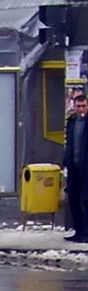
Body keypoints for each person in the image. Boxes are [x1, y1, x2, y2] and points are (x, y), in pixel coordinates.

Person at [63, 93, 88, 241]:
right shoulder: (72, 121)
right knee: (74, 198)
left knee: (86, 200)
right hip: (74, 167)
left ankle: (86, 232)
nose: (81, 109)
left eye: (84, 105)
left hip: (86, 167)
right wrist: (66, 161)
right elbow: (70, 144)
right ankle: (78, 231)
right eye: (78, 106)